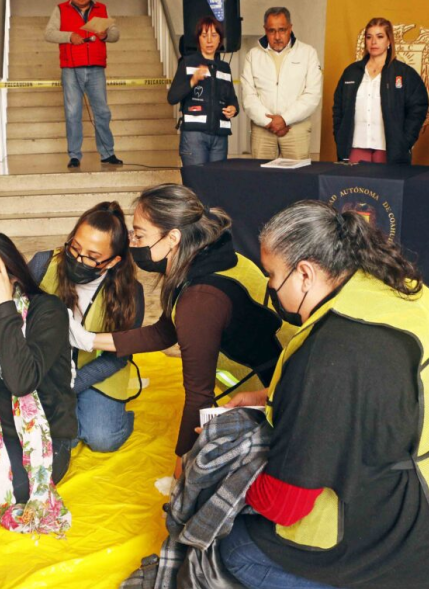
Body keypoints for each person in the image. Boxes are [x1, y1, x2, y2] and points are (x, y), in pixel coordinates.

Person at [218, 200, 429, 589]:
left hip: (419, 517)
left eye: (272, 277)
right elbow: (376, 392)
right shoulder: (392, 291)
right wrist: (270, 398)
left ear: (307, 274)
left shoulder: (333, 353)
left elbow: (287, 505)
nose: (271, 289)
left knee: (239, 553)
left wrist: (229, 480)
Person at [89, 184, 286, 475]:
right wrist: (88, 339)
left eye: (140, 234)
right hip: (280, 386)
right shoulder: (215, 258)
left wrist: (181, 470)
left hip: (275, 404)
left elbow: (198, 396)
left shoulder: (200, 298)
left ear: (173, 238)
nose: (132, 242)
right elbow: (164, 332)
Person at [0, 231, 75, 534]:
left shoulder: (47, 311)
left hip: (43, 440)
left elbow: (22, 381)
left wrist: (4, 307)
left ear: (11, 276)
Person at [28, 202, 145, 453]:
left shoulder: (131, 293)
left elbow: (118, 358)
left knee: (103, 438)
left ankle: (114, 417)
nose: (78, 260)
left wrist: (73, 384)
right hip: (47, 370)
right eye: (75, 248)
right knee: (56, 439)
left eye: (92, 258)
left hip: (96, 372)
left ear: (113, 261)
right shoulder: (43, 264)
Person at [44, 0, 123, 168]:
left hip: (96, 67)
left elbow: (116, 34)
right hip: (71, 68)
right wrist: (69, 36)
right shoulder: (60, 9)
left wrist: (105, 35)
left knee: (102, 112)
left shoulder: (101, 9)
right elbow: (49, 33)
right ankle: (74, 155)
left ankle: (107, 153)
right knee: (73, 113)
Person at [332, 17, 429, 165]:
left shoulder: (404, 73)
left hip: (389, 150)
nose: (373, 42)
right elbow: (338, 107)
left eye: (380, 37)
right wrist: (340, 136)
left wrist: (404, 141)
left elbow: (418, 107)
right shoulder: (351, 72)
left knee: (385, 188)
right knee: (355, 188)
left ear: (389, 41)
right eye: (369, 37)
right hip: (356, 146)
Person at [240, 7, 323, 161]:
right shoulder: (253, 56)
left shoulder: (308, 53)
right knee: (262, 181)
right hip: (262, 129)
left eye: (282, 30)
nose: (277, 36)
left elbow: (312, 95)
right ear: (265, 30)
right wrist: (269, 122)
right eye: (272, 31)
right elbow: (248, 96)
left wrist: (285, 119)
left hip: (295, 129)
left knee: (296, 181)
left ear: (290, 28)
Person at [168, 16, 238, 167]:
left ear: (220, 39)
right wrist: (192, 81)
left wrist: (234, 108)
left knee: (217, 185)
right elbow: (172, 97)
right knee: (196, 185)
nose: (209, 41)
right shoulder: (188, 63)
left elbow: (232, 98)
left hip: (220, 136)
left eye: (214, 35)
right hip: (194, 136)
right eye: (204, 36)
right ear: (198, 39)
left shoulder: (224, 67)